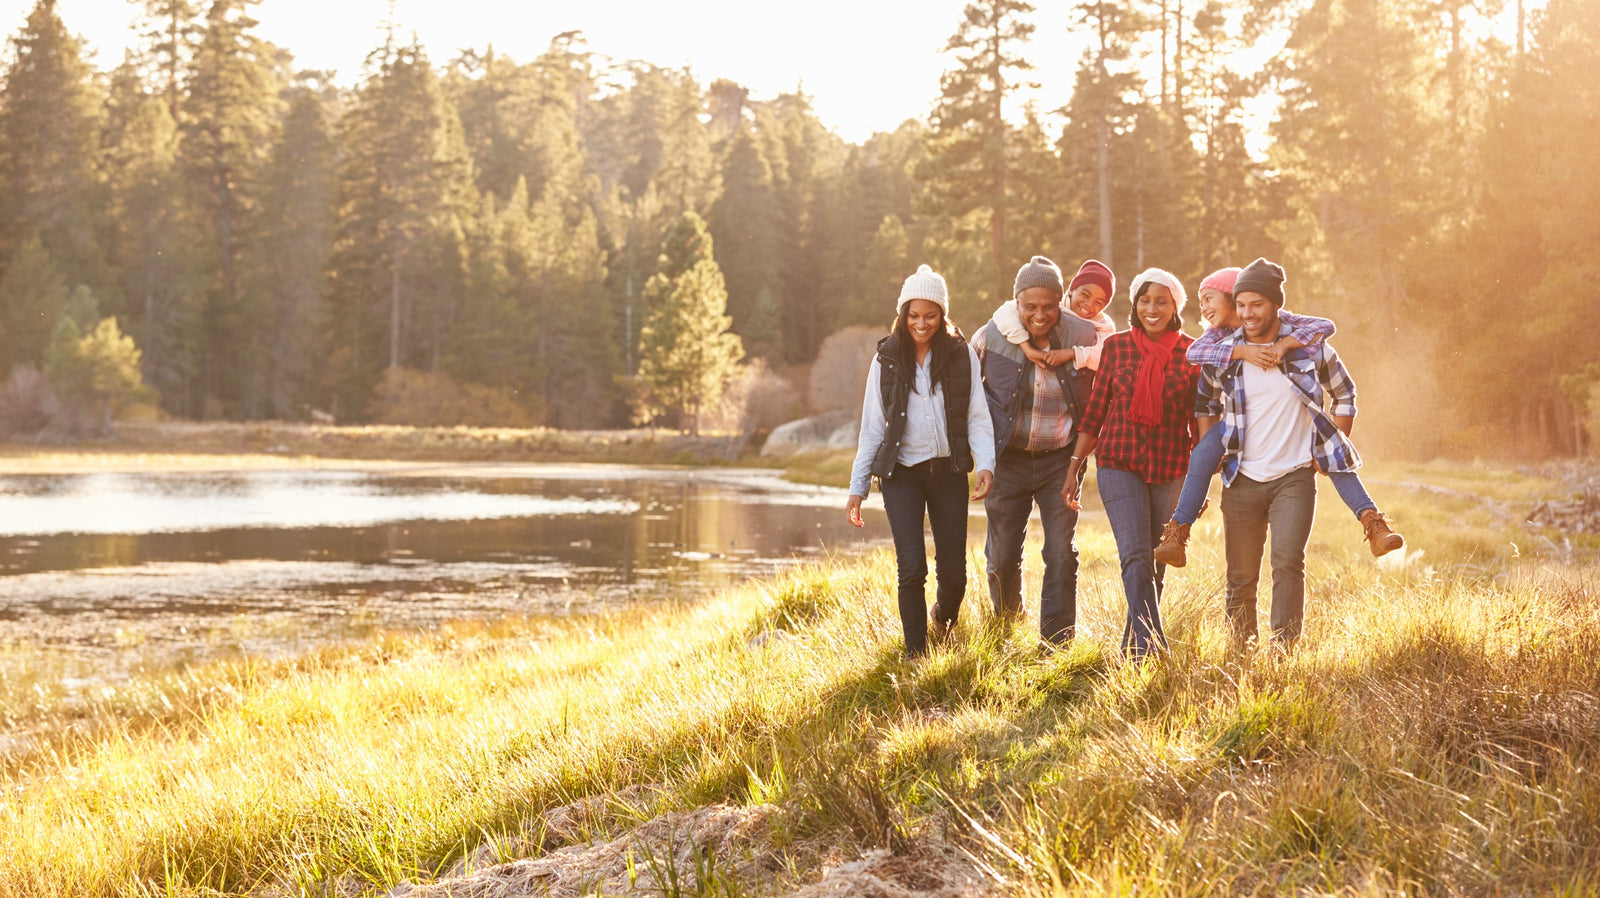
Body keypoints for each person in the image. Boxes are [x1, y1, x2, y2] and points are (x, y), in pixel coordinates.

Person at [1153, 266, 1403, 567]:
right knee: (1201, 455)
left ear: (1234, 297)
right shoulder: (1217, 337)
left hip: (1293, 422)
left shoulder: (1283, 325)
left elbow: (1324, 326)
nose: (1203, 308)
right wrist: (1242, 352)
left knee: (1332, 453)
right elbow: (1195, 356)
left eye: (1208, 298)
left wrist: (1285, 344)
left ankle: (1373, 522)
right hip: (1235, 424)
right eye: (1201, 301)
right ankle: (1178, 533)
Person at [1194, 258, 1382, 648]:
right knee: (1240, 575)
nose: (1248, 313)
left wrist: (1332, 443)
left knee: (1287, 563)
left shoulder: (1310, 350)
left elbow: (1345, 393)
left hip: (1294, 476)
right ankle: (1241, 650)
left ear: (1275, 305)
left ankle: (1283, 651)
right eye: (1241, 305)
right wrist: (1216, 449)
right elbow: (1205, 404)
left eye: (1257, 305)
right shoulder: (1224, 354)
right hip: (1241, 477)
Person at [847, 264, 995, 658]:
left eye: (930, 316)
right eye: (913, 315)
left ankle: (943, 620)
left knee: (955, 575)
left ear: (942, 314)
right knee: (911, 569)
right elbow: (871, 429)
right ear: (902, 314)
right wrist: (857, 487)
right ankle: (916, 655)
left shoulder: (962, 356)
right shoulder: (886, 360)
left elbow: (978, 416)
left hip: (948, 472)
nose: (921, 324)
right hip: (901, 476)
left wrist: (985, 465)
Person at [1063, 269, 1199, 657]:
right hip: (1118, 464)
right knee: (1135, 555)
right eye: (1144, 300)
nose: (1151, 308)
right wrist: (1073, 467)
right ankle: (1154, 648)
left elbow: (1197, 424)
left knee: (1156, 563)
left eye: (1161, 301)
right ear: (1134, 304)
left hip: (1171, 468)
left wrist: (1197, 486)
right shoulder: (1117, 348)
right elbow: (1095, 413)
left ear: (1175, 307)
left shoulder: (1192, 353)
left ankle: (1133, 652)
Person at [972, 256, 1098, 647]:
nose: (1039, 314)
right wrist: (978, 455)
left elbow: (1109, 369)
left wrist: (1078, 464)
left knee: (1061, 552)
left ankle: (1056, 641)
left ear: (1060, 301)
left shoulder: (1083, 335)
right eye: (1030, 306)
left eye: (1048, 306)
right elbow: (967, 395)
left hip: (1060, 460)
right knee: (1003, 554)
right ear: (1016, 303)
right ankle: (1007, 623)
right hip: (1007, 459)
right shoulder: (989, 337)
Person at [988, 259, 1117, 372]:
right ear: (1071, 290)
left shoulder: (1102, 325)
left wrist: (1073, 354)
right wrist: (1026, 347)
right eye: (1085, 295)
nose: (1089, 305)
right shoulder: (1053, 305)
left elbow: (1108, 356)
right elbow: (1005, 312)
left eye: (1099, 302)